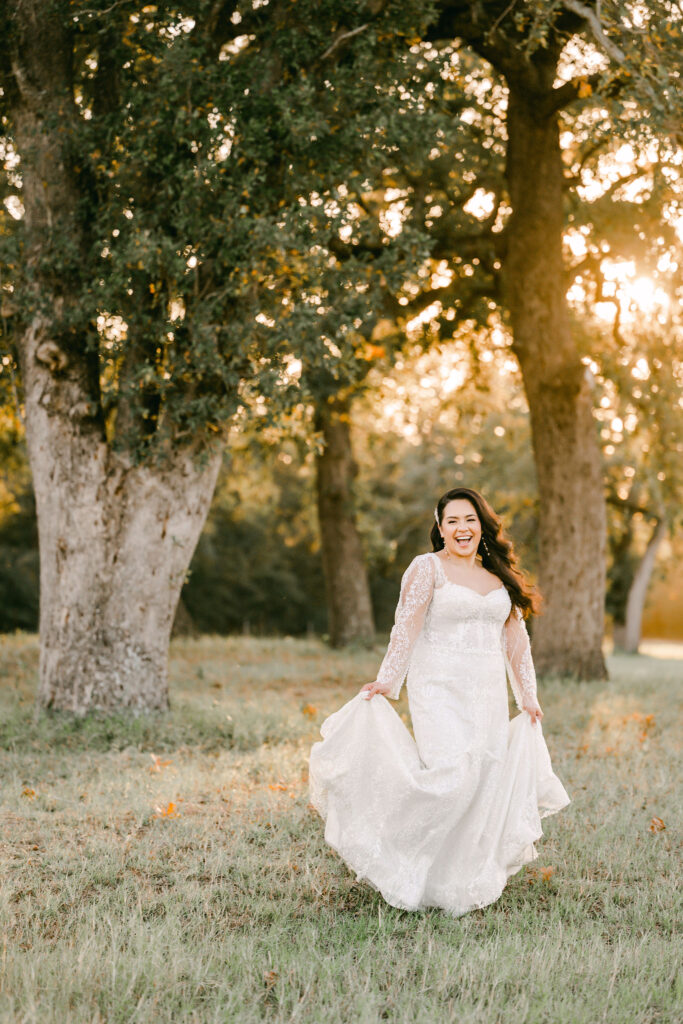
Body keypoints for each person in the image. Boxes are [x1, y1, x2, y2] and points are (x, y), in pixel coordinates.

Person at [308, 487, 570, 916]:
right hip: (438, 688)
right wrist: (386, 682)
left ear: (482, 525)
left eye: (469, 519)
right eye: (452, 521)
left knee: (482, 778)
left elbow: (516, 644)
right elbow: (405, 628)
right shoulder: (427, 568)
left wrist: (528, 697)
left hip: (485, 693)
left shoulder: (499, 578)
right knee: (452, 775)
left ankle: (452, 881)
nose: (462, 528)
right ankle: (394, 851)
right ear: (441, 528)